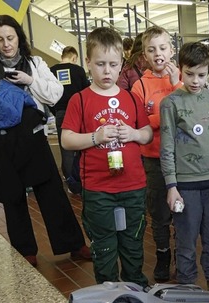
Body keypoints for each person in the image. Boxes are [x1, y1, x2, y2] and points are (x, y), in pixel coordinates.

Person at [0, 14, 90, 267]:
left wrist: (30, 81)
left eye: (10, 38)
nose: (6, 44)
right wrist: (3, 98)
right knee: (14, 197)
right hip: (6, 142)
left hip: (35, 138)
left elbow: (55, 94)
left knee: (53, 194)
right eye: (0, 39)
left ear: (19, 38)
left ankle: (74, 244)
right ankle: (24, 250)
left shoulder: (35, 63)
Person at [60, 27, 153, 287]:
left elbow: (146, 134)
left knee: (133, 242)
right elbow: (66, 139)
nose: (107, 71)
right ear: (88, 63)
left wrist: (133, 133)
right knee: (104, 245)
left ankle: (135, 286)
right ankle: (108, 292)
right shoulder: (80, 100)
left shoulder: (131, 98)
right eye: (100, 64)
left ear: (121, 64)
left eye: (113, 64)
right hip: (98, 189)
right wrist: (95, 137)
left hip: (133, 185)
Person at [159, 42, 209, 303]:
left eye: (201, 75)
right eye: (189, 73)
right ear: (180, 69)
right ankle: (187, 284)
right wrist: (172, 185)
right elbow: (167, 145)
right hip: (186, 185)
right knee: (186, 238)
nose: (195, 80)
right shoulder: (171, 103)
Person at [131, 26, 183, 283]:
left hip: (184, 158)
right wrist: (166, 117)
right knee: (160, 213)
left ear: (171, 50)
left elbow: (190, 113)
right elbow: (138, 123)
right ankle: (163, 255)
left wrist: (177, 86)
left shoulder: (181, 78)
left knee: (183, 211)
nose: (158, 54)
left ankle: (183, 257)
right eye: (152, 50)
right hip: (152, 158)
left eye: (163, 48)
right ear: (145, 55)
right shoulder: (140, 85)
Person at [49, 45, 90, 195]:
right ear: (74, 57)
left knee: (65, 149)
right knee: (81, 146)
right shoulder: (78, 70)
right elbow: (86, 92)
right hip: (79, 113)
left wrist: (57, 112)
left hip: (60, 113)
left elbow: (48, 97)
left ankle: (70, 183)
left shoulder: (51, 71)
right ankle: (82, 180)